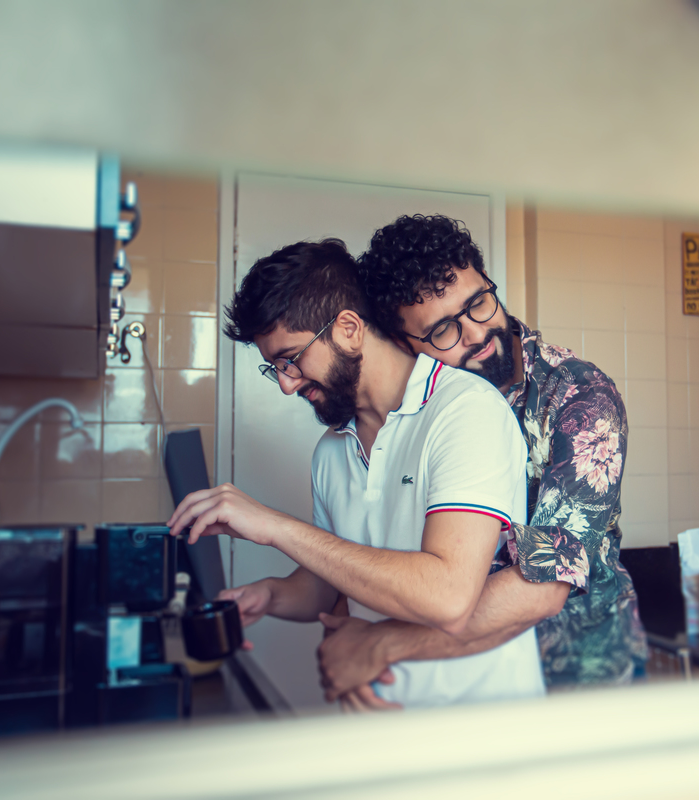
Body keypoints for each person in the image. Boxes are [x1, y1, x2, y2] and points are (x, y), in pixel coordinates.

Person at [166, 238, 545, 710]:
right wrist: (270, 595)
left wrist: (275, 526)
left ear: (348, 329)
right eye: (274, 368)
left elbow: (447, 597)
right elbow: (331, 579)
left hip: (479, 729)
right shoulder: (331, 450)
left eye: (290, 359)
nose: (285, 384)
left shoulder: (465, 410)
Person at [316, 214, 648, 709]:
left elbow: (546, 583)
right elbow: (373, 546)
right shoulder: (409, 416)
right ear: (405, 344)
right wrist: (349, 640)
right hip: (462, 680)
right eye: (443, 330)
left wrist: (378, 644)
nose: (475, 333)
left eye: (477, 303)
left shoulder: (579, 396)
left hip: (581, 673)